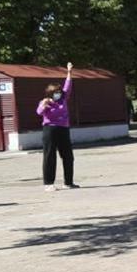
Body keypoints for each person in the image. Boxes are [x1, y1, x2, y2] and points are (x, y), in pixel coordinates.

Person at [37, 62, 78, 192]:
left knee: (68, 156)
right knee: (50, 156)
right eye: (56, 92)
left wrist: (69, 72)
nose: (58, 94)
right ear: (50, 93)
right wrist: (44, 105)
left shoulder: (63, 99)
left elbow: (68, 85)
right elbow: (38, 112)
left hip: (63, 129)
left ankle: (68, 182)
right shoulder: (45, 102)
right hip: (50, 130)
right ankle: (48, 183)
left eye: (59, 92)